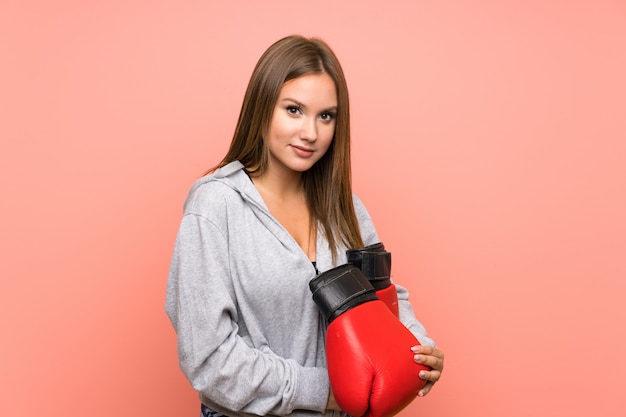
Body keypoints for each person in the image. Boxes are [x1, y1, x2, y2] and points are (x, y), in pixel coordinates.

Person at [165, 35, 444, 417]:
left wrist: (416, 351)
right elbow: (208, 360)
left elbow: (386, 302)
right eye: (294, 110)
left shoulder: (345, 207)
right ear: (261, 107)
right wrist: (330, 390)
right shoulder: (215, 207)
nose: (311, 133)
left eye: (325, 116)